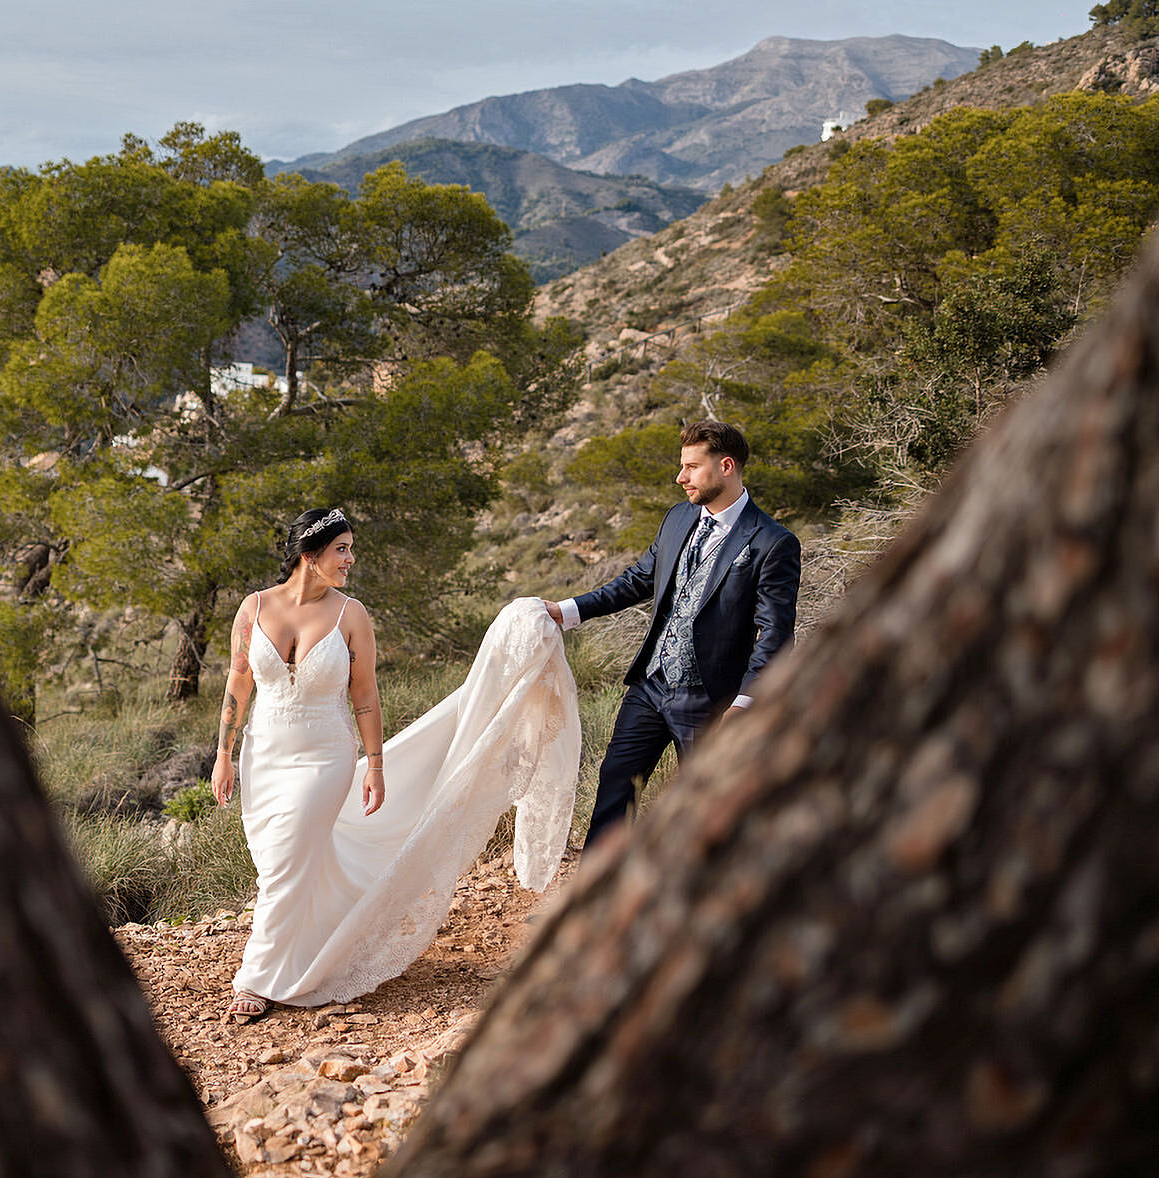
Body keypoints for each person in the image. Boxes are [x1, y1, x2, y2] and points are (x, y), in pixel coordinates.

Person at [212, 508, 582, 1022]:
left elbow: (365, 697)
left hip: (325, 759)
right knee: (282, 862)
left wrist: (376, 766)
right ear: (309, 553)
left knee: (286, 864)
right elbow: (238, 681)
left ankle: (256, 978)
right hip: (262, 757)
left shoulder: (351, 615)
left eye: (351, 548)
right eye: (341, 548)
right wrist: (224, 754)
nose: (350, 559)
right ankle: (317, 948)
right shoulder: (253, 609)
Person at [545, 419, 800, 846]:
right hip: (651, 685)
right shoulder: (678, 518)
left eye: (691, 467)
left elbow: (774, 634)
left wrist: (745, 703)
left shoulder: (772, 542)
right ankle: (598, 904)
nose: (680, 478)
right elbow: (637, 580)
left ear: (726, 466)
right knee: (615, 786)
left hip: (709, 700)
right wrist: (567, 610)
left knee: (708, 807)